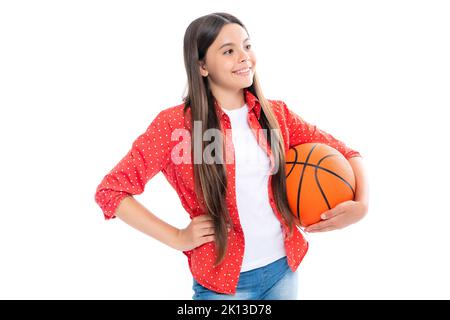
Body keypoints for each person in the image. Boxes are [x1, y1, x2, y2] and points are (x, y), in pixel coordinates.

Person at [94, 12, 369, 300]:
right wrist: (178, 237)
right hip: (222, 286)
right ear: (202, 65)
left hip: (283, 271)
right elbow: (111, 191)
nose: (244, 57)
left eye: (247, 46)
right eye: (228, 51)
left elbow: (347, 153)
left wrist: (361, 206)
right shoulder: (176, 126)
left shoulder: (276, 115)